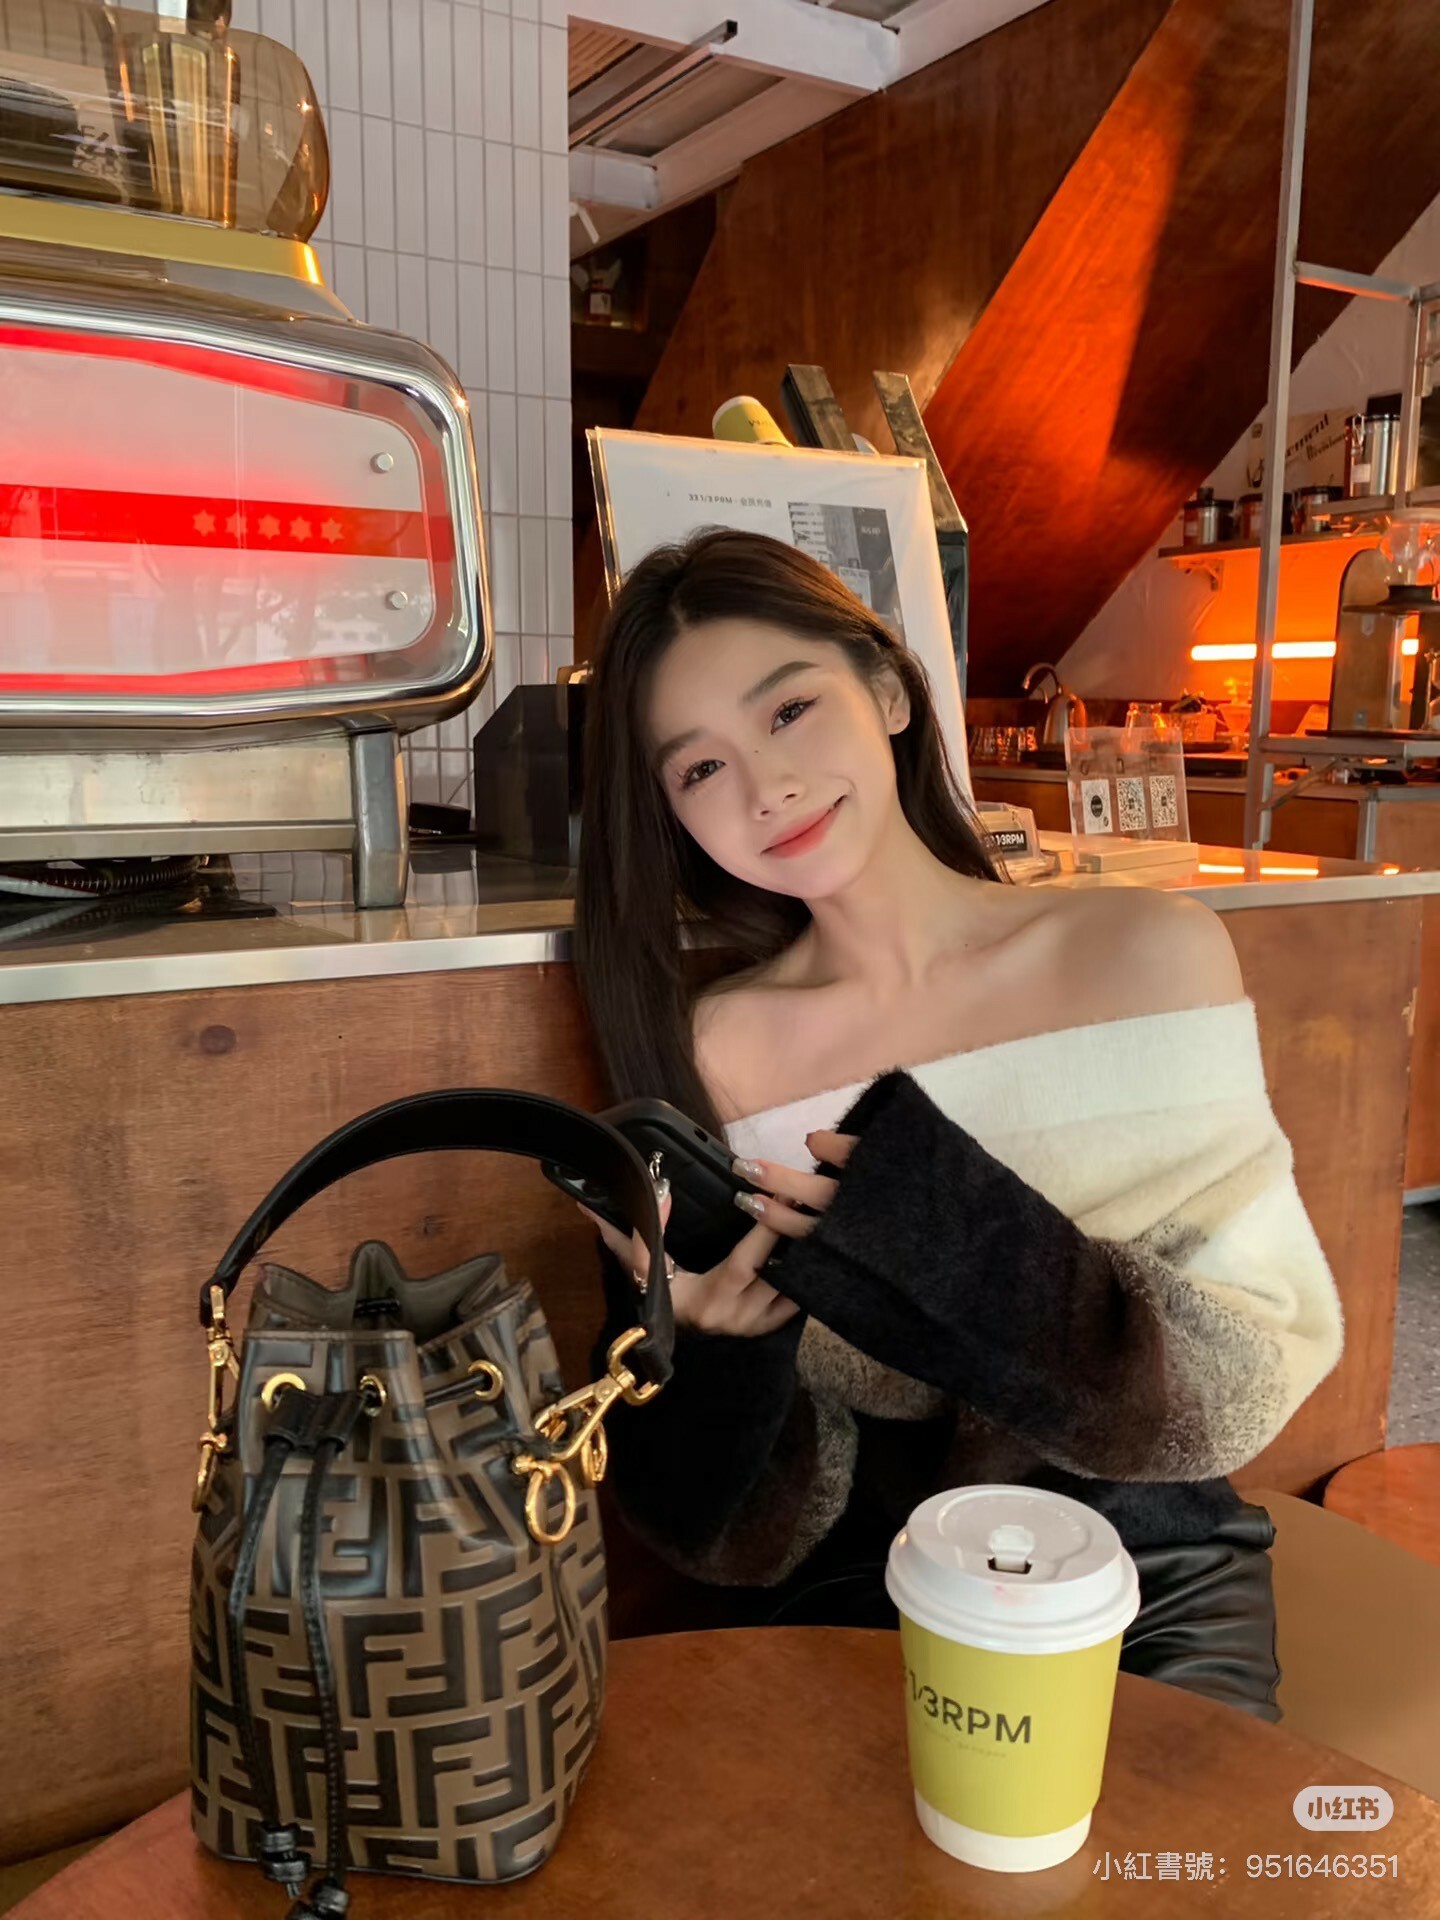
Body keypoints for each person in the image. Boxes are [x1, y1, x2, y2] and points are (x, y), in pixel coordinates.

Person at [573, 527, 1343, 1719]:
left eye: (789, 712)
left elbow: (1241, 1376)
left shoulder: (1148, 952)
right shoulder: (713, 1048)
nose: (766, 786)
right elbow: (715, 1533)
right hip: (862, 1583)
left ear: (887, 691)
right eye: (701, 768)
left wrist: (933, 1221)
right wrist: (716, 1358)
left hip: (1142, 1567)